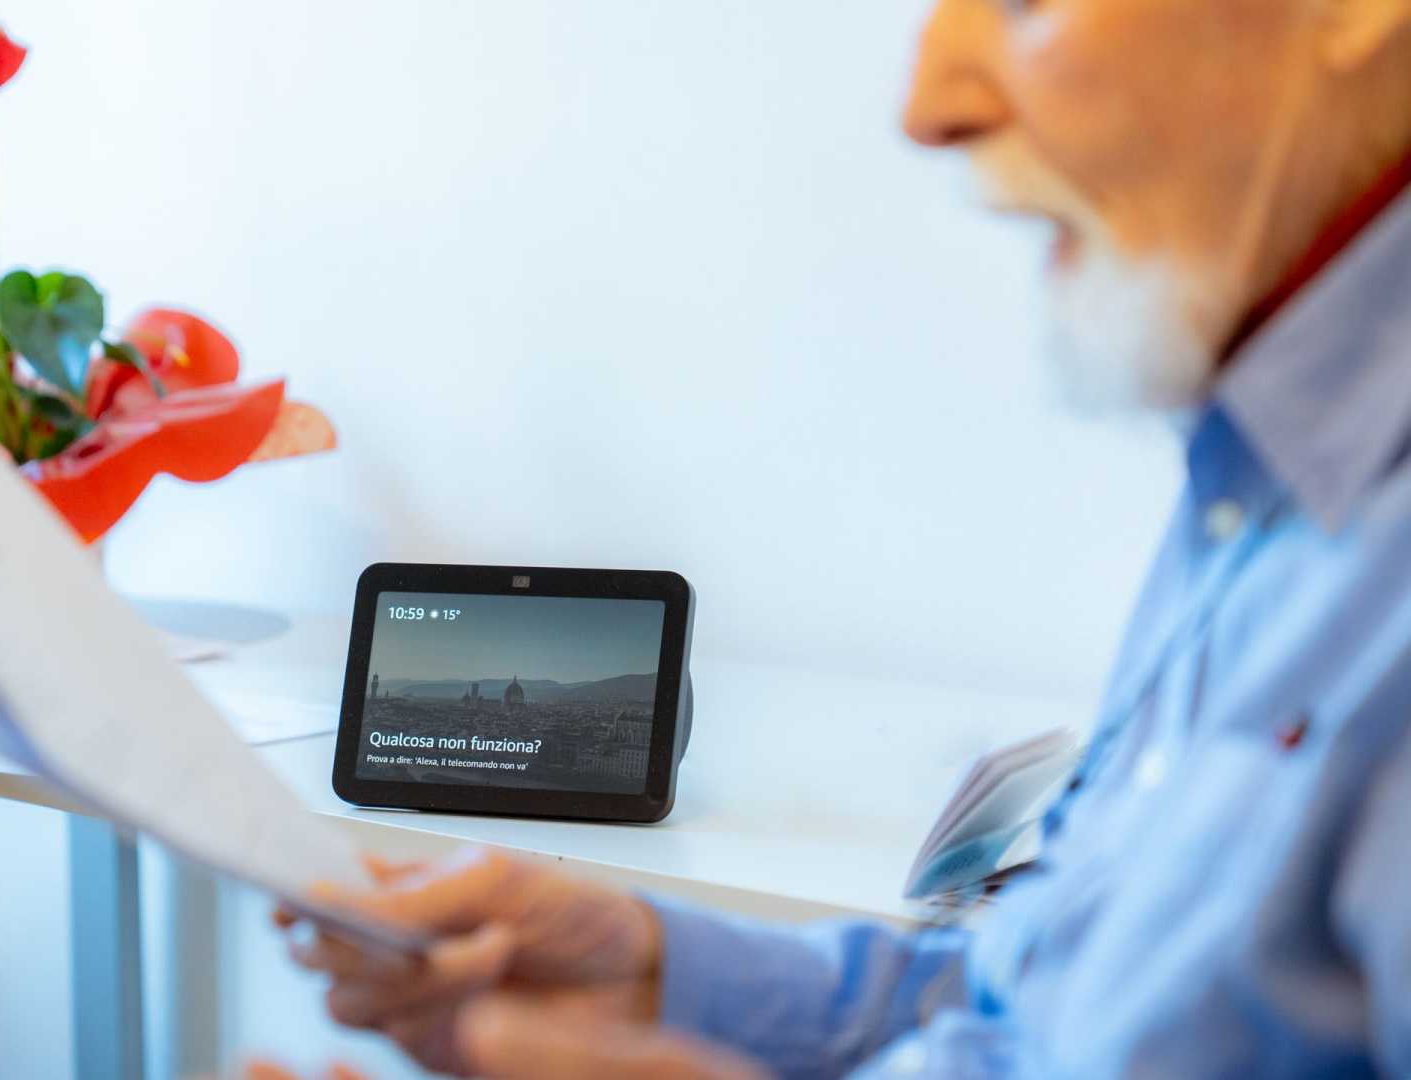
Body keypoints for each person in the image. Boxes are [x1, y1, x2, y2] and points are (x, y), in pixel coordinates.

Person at [267, 0, 1411, 1075]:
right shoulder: (1259, 489)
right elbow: (1033, 1005)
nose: (926, 103)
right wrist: (656, 968)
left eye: (1025, 2)